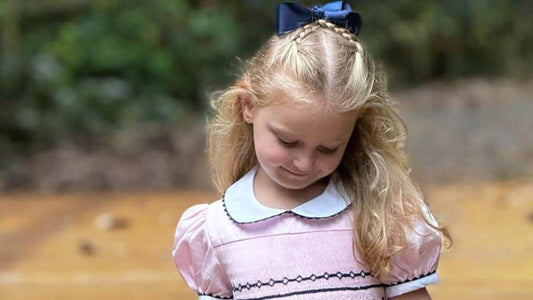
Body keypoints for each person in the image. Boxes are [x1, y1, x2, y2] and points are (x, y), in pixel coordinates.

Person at [172, 1, 452, 299]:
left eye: (328, 148)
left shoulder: (380, 216)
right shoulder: (217, 231)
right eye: (288, 141)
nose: (304, 163)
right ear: (248, 106)